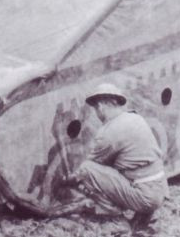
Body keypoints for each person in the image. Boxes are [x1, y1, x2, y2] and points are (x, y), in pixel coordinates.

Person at [59, 83, 168, 228]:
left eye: (96, 108)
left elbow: (91, 167)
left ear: (102, 106)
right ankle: (145, 213)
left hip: (146, 196)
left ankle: (115, 218)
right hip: (160, 189)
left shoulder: (109, 132)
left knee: (87, 169)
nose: (97, 113)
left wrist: (67, 180)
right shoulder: (135, 118)